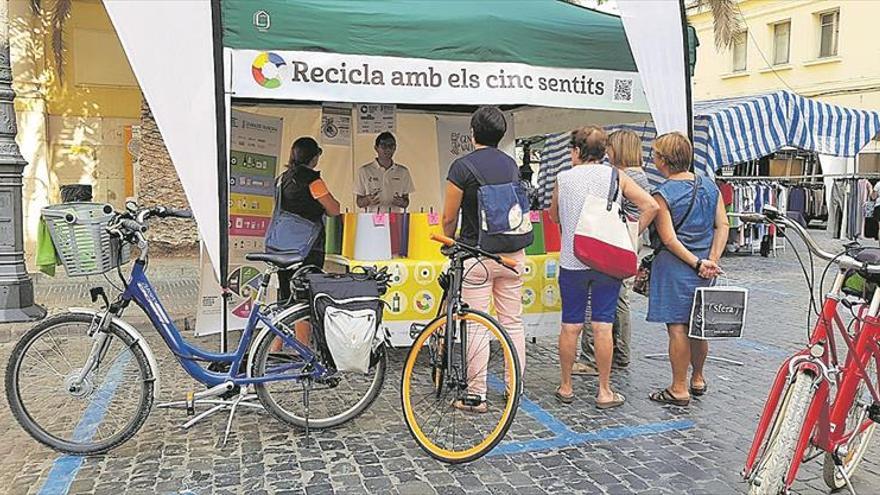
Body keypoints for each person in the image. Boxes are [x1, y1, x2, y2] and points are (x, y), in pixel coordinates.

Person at [550, 126, 658, 408]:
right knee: (602, 325)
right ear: (604, 152)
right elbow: (650, 206)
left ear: (576, 151)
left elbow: (553, 214)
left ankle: (566, 386)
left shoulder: (563, 178)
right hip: (606, 261)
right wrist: (629, 237)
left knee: (570, 325)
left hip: (572, 261)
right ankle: (604, 391)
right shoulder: (616, 176)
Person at [442, 106, 526, 413]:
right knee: (512, 323)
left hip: (476, 255)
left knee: (476, 325)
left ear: (472, 133)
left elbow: (449, 216)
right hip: (512, 255)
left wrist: (448, 241)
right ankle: (514, 387)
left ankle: (476, 395)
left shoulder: (461, 167)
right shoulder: (511, 165)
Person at [647, 132, 728, 407]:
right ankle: (698, 378)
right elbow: (723, 225)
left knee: (678, 328)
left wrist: (695, 262)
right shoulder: (709, 186)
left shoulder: (662, 194)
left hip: (676, 267)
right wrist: (711, 260)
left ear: (663, 161)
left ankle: (678, 387)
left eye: (656, 154)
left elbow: (668, 239)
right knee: (699, 327)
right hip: (706, 268)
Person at [574, 129, 653, 375]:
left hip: (617, 240)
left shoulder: (622, 176)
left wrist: (630, 231)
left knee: (602, 297)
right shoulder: (640, 175)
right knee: (619, 296)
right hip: (629, 240)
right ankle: (620, 354)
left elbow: (650, 208)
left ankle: (593, 356)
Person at [274, 137, 341, 349]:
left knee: (285, 297)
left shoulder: (282, 179)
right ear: (313, 157)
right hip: (307, 247)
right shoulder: (314, 182)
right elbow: (334, 209)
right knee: (303, 296)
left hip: (282, 245)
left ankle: (274, 346)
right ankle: (302, 349)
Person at [355, 132, 415, 212]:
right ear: (376, 148)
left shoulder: (403, 172)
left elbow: (406, 202)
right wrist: (367, 200)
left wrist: (402, 202)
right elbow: (359, 202)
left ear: (395, 148)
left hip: (394, 218)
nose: (388, 149)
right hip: (371, 219)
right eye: (383, 146)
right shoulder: (364, 171)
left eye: (391, 146)